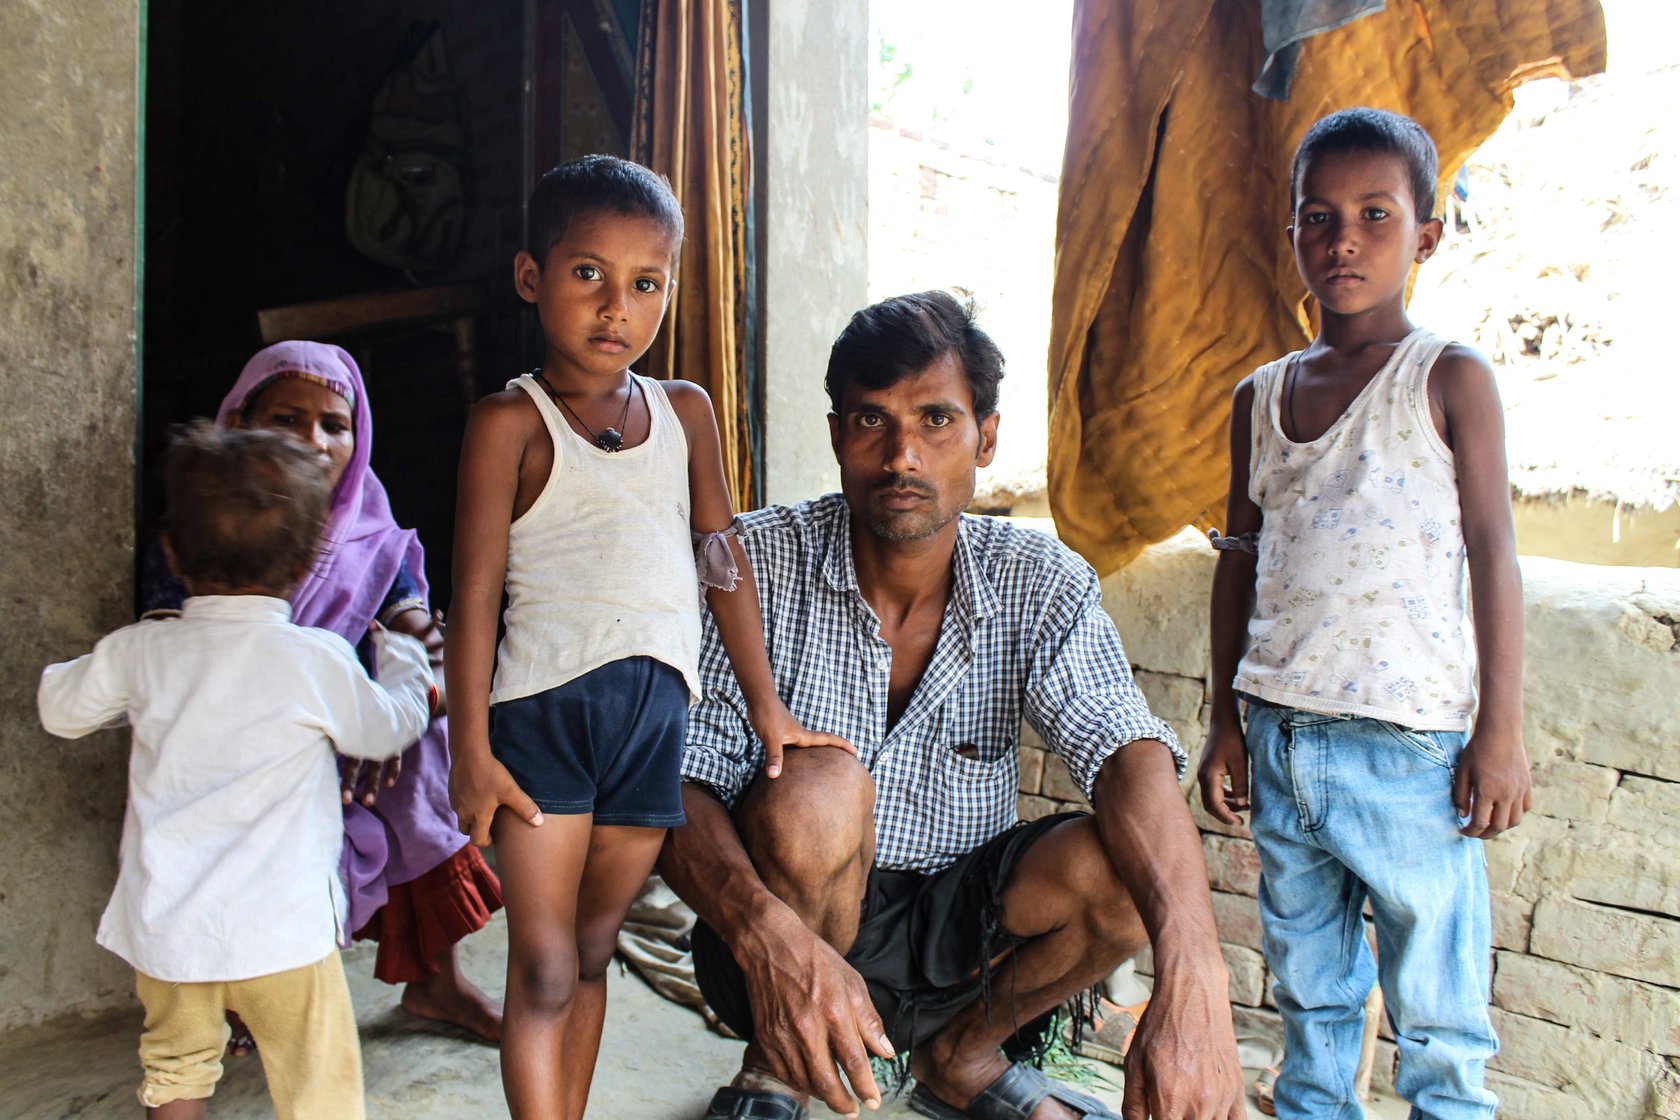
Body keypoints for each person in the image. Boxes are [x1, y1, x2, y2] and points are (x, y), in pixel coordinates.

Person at [663, 290, 1247, 1120]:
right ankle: (777, 1071)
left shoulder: (1037, 579)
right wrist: (765, 937)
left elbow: (1127, 752)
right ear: (837, 436)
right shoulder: (755, 564)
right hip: (779, 937)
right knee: (819, 787)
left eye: (936, 420)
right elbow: (674, 780)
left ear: (988, 437)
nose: (903, 455)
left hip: (964, 939)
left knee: (1130, 867)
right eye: (872, 422)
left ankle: (961, 1058)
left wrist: (1195, 971)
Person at [446, 154, 847, 1119]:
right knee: (542, 967)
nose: (614, 307)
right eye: (588, 274)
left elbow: (723, 563)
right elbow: (471, 593)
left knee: (592, 954)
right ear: (531, 277)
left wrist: (765, 705)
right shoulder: (511, 422)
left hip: (651, 727)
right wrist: (469, 749)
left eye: (645, 283)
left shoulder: (685, 413)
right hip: (542, 720)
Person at [1197, 107, 1530, 1120]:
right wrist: (1222, 719)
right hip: (1281, 738)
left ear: (1425, 235)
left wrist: (1500, 731)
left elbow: (1493, 553)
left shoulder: (1449, 380)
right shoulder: (1259, 397)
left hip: (1411, 753)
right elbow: (1239, 563)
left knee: (1438, 1015)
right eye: (1318, 216)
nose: (1343, 239)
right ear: (1292, 232)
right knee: (1314, 1003)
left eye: (1376, 215)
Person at [39, 424, 434, 1119]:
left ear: (171, 552)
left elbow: (60, 711)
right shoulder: (313, 659)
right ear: (308, 561)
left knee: (177, 1072)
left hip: (168, 932)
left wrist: (110, 674)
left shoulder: (144, 651)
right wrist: (405, 660)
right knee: (319, 1090)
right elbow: (388, 728)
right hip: (283, 935)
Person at [139, 340, 504, 1044]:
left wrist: (399, 711)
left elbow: (417, 637)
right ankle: (251, 990)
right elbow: (172, 651)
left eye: (334, 425)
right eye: (287, 419)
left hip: (358, 735)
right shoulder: (197, 530)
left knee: (432, 746)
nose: (314, 441)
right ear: (239, 421)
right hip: (244, 730)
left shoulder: (370, 531)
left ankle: (436, 984)